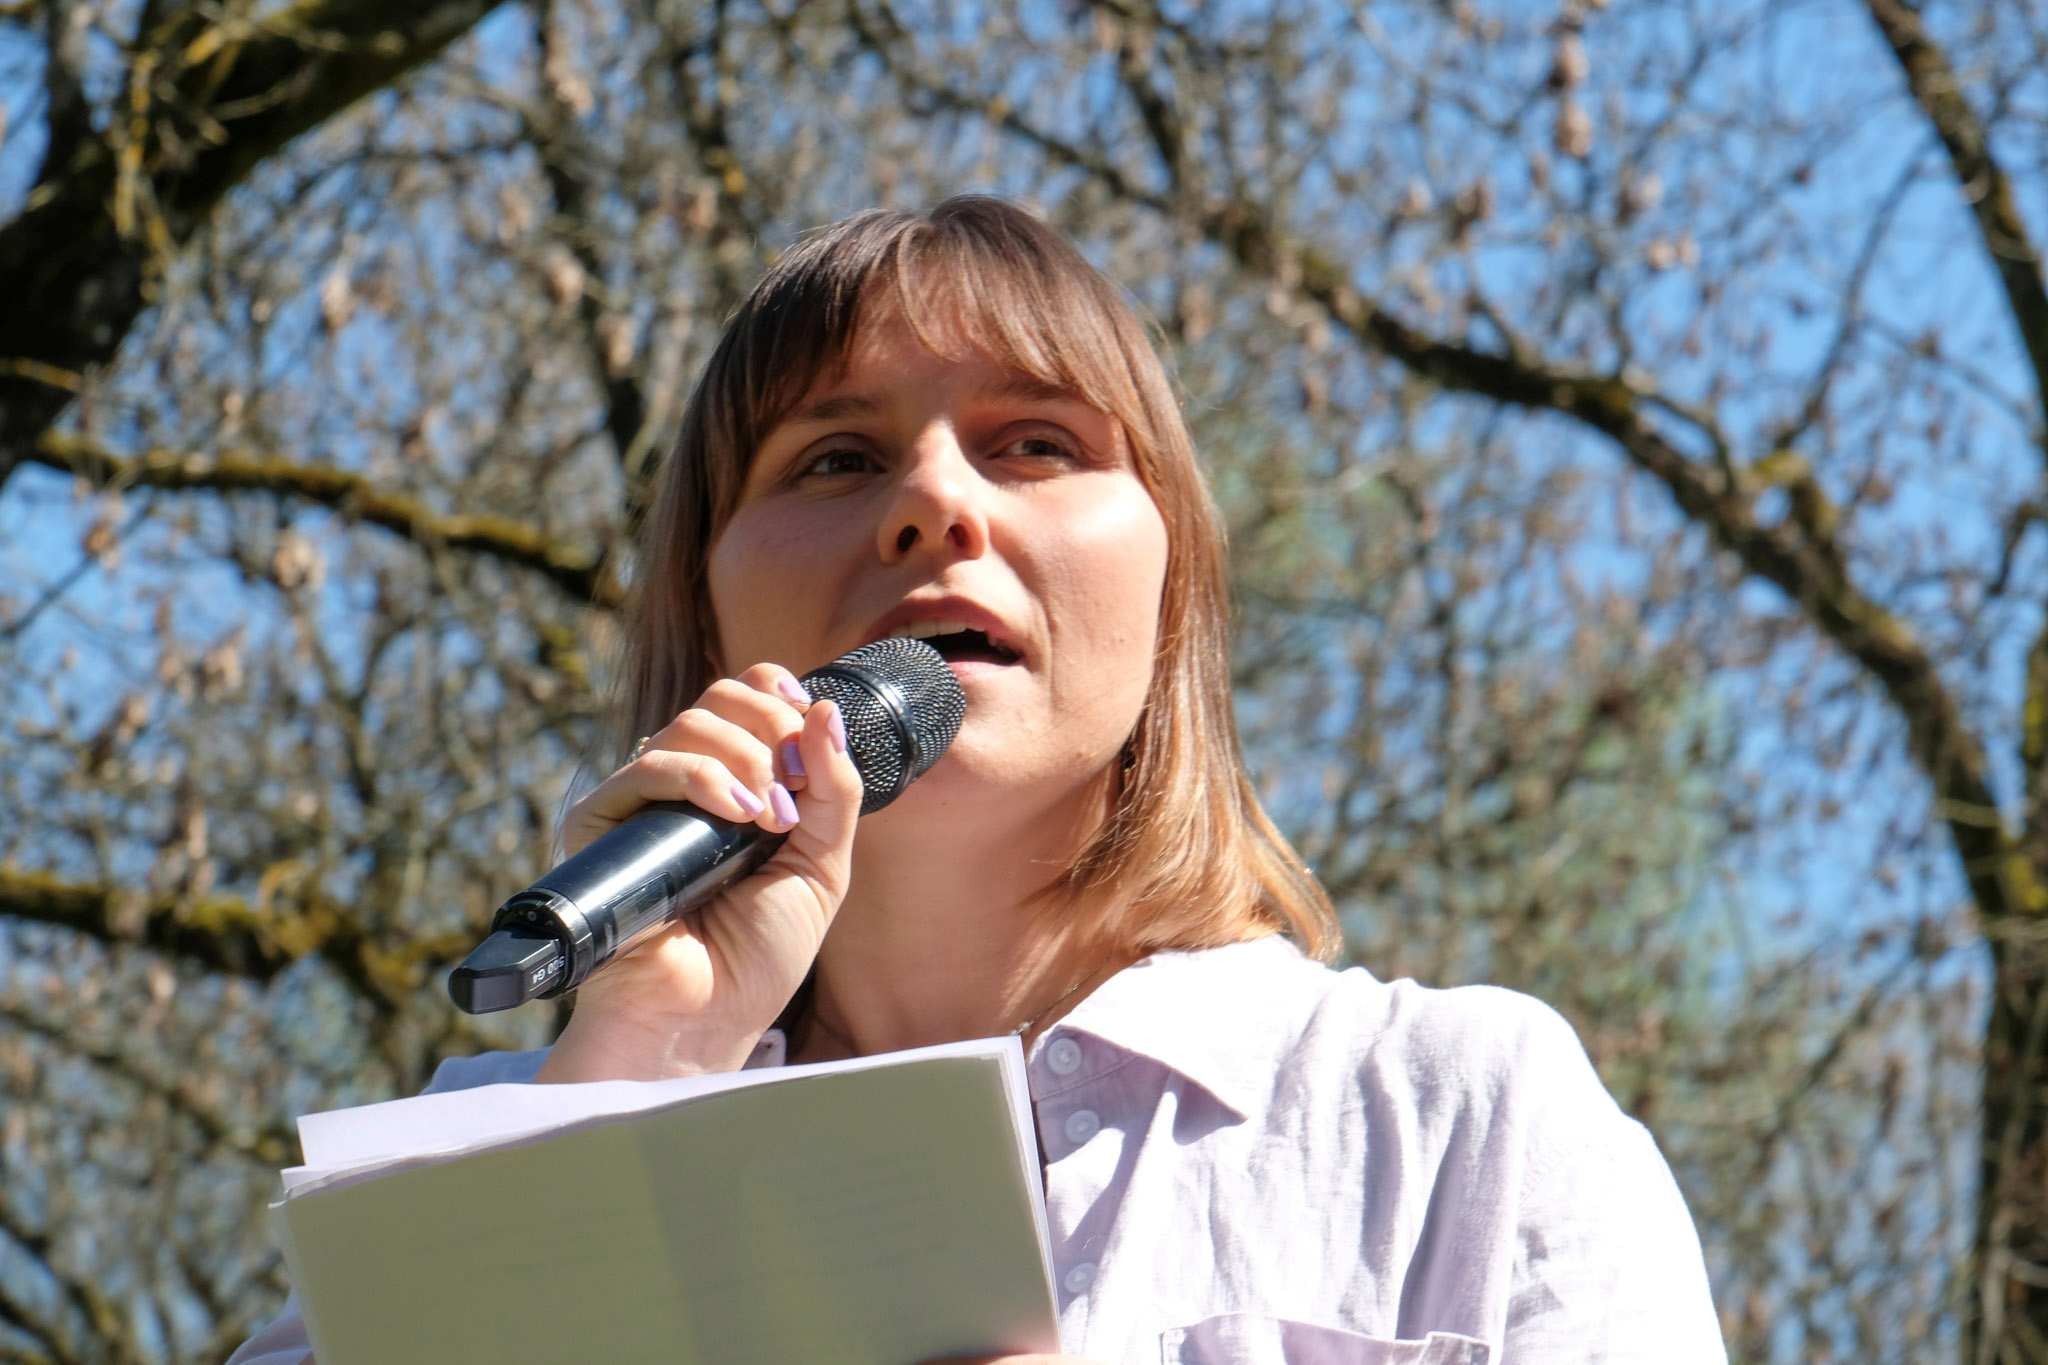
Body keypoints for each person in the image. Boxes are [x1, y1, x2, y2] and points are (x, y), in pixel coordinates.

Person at [230, 196, 1725, 1364]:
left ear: (1171, 592)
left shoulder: (1449, 1116)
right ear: (709, 610)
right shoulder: (508, 1130)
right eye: (831, 459)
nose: (936, 502)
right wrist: (635, 1073)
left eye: (1034, 442)